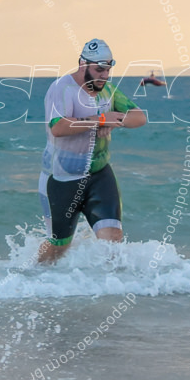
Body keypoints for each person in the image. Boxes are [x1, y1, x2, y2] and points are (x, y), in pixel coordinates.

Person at [38, 39, 147, 264]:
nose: (105, 76)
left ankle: (107, 291)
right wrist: (99, 120)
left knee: (113, 239)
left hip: (99, 176)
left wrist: (116, 121)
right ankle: (33, 277)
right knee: (60, 246)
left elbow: (139, 117)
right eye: (99, 70)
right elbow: (58, 127)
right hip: (63, 179)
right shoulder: (61, 89)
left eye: (108, 70)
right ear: (82, 64)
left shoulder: (108, 90)